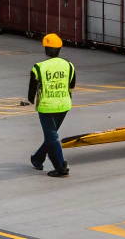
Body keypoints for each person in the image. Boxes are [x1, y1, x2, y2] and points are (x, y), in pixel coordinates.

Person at [27, 32, 75, 177]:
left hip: (47, 106)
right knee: (51, 135)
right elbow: (72, 84)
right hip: (64, 105)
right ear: (59, 49)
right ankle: (37, 159)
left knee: (51, 136)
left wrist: (31, 100)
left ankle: (60, 167)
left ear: (46, 50)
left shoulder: (39, 67)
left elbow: (32, 89)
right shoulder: (69, 65)